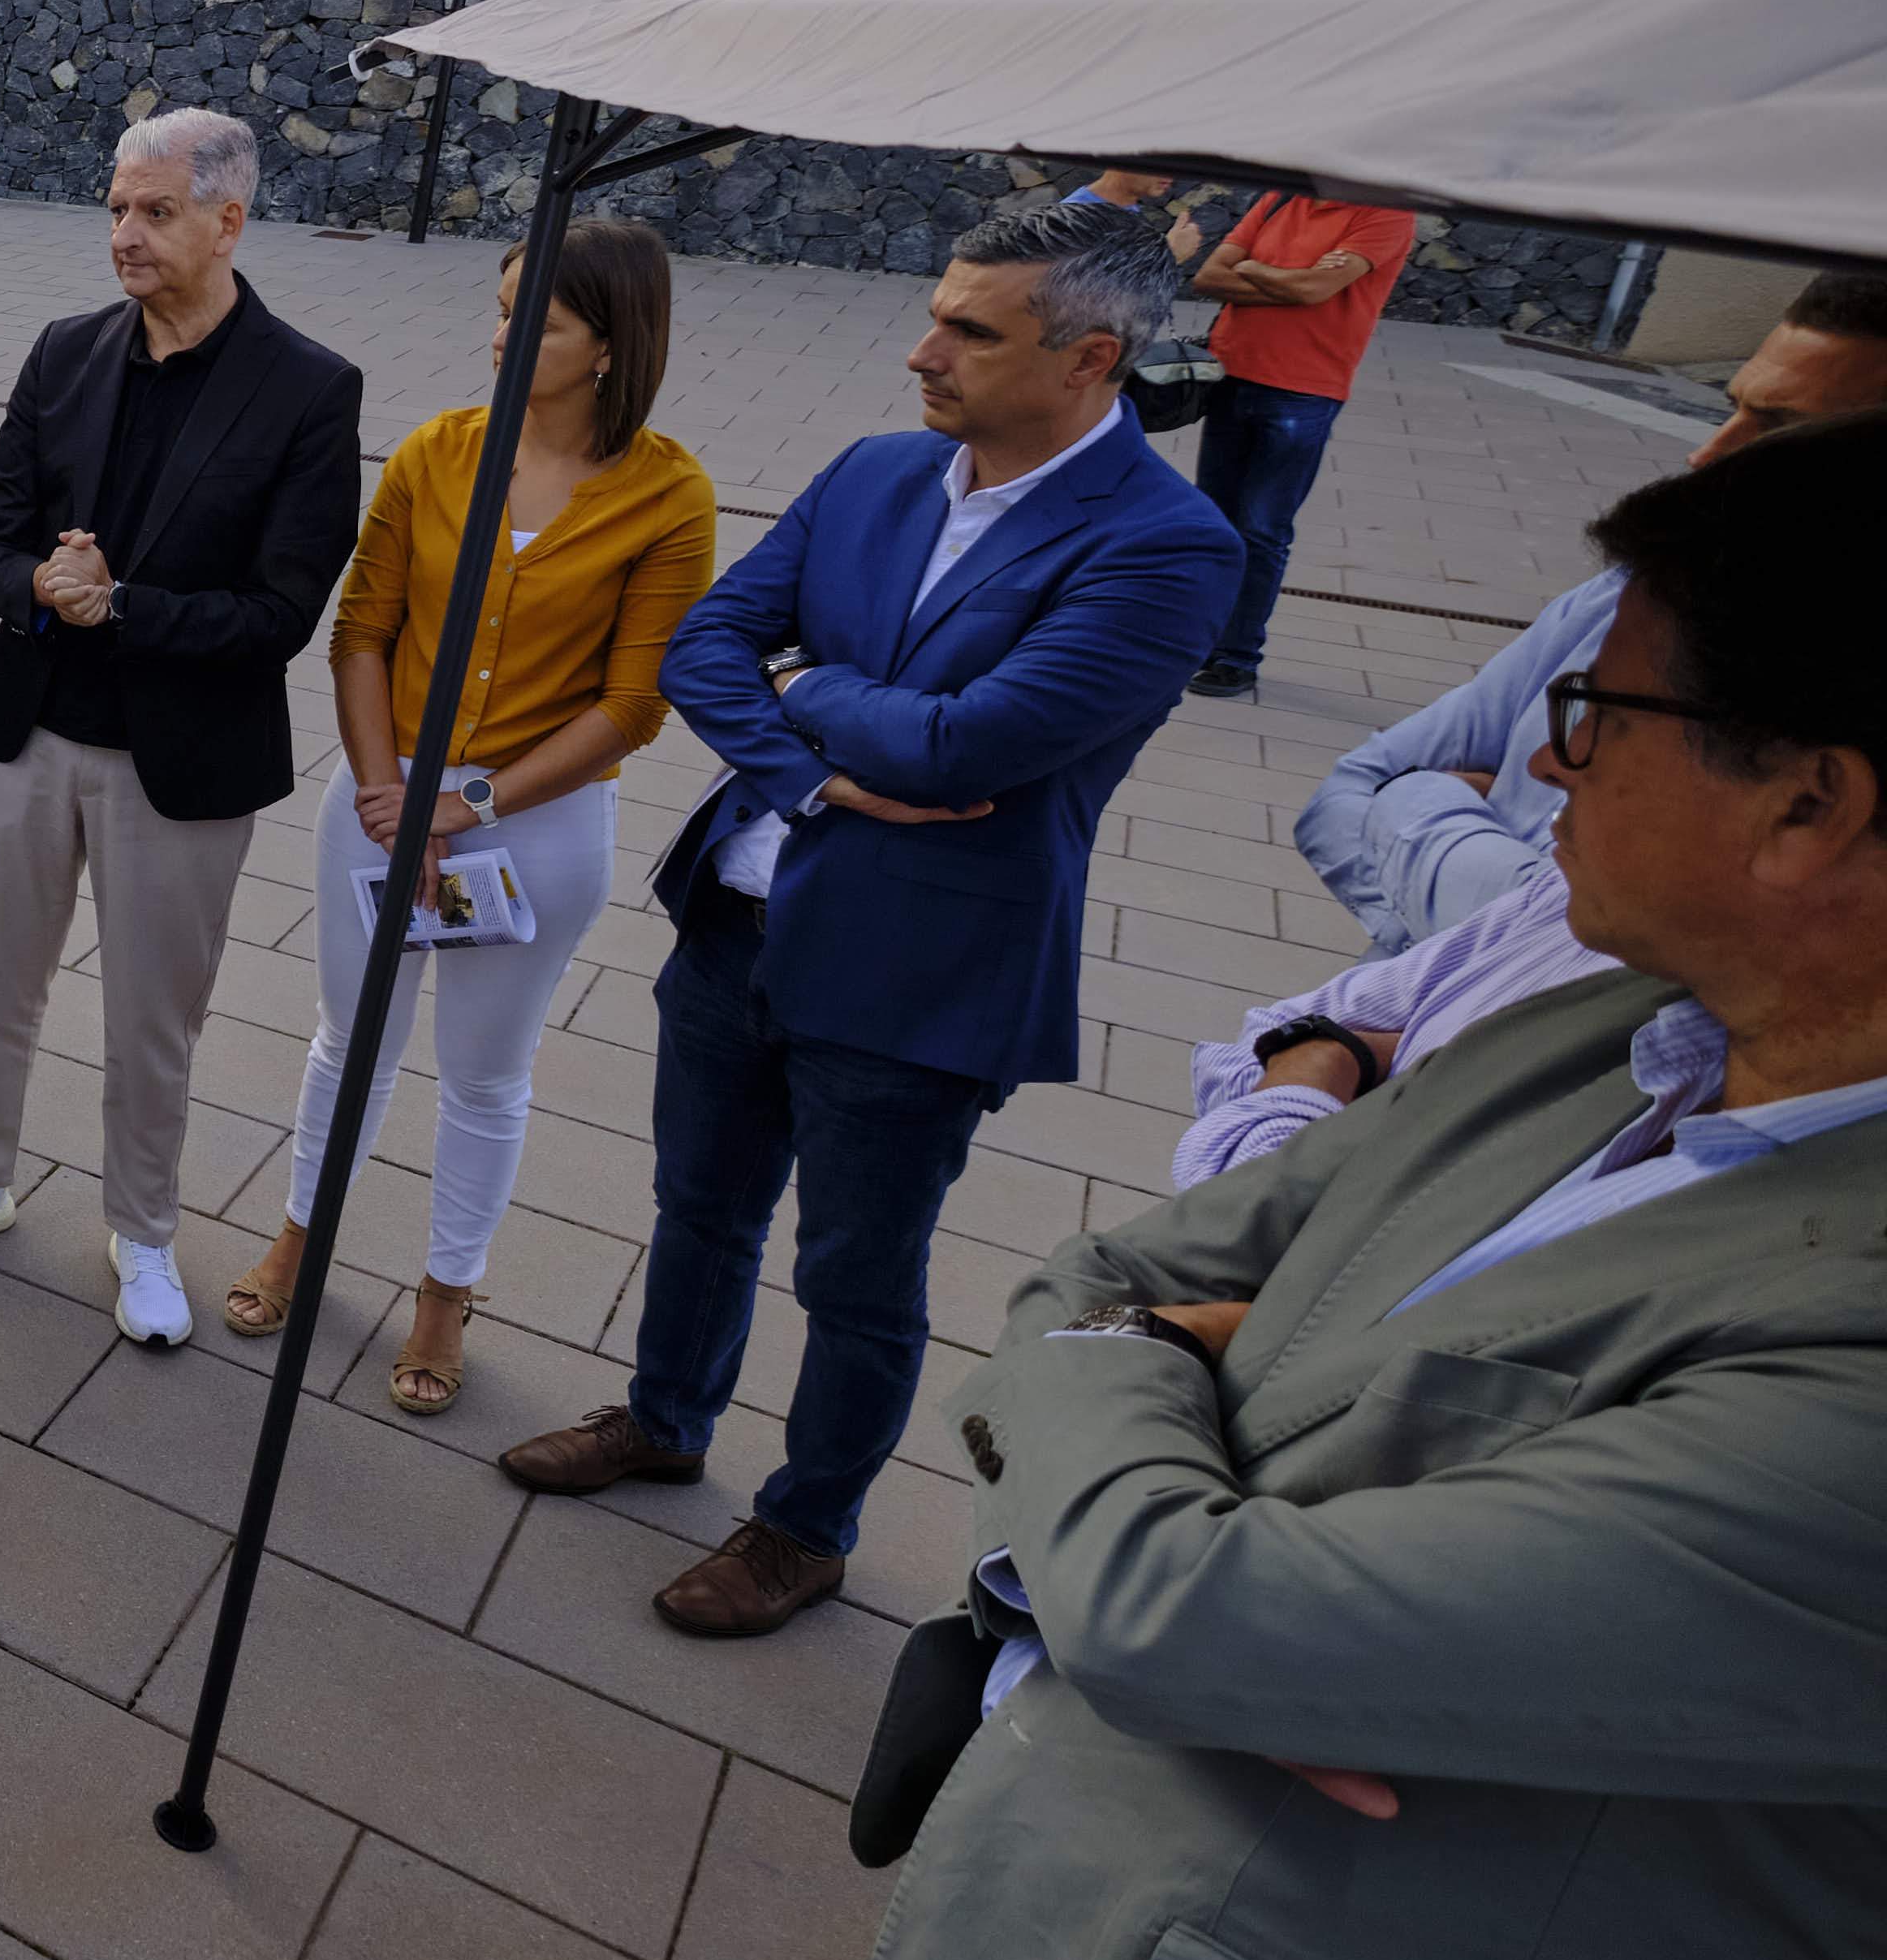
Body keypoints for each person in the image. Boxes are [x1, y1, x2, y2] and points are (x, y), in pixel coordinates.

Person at [857, 414, 1887, 1960]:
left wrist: (1171, 1467)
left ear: (1807, 811)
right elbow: (1103, 1278)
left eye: (1605, 704)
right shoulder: (1616, 1028)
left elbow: (1184, 1607)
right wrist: (1190, 1458)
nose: (1551, 755)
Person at [498, 203, 1240, 1639]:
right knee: (697, 1208)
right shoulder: (878, 472)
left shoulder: (1169, 547)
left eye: (972, 330)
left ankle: (808, 1525)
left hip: (921, 966)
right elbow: (707, 643)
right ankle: (665, 1418)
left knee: (856, 1270)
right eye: (937, 309)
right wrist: (812, 751)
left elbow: (973, 747)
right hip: (738, 916)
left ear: (1092, 358)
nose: (923, 351)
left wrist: (802, 687)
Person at [0, 110, 360, 1342]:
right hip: (36, 727)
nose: (124, 236)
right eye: (115, 209)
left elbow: (281, 612)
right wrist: (38, 585)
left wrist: (123, 603)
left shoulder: (308, 389)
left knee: (152, 1021)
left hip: (183, 761)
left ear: (229, 220)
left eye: (153, 212)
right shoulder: (65, 351)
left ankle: (143, 1234)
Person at [206, 215, 712, 1398]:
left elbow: (637, 702)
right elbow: (363, 631)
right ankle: (302, 1230)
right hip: (382, 802)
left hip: (538, 825)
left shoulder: (670, 492)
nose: (503, 336)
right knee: (352, 1037)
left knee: (487, 1071)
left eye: (541, 319)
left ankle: (445, 1295)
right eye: (500, 308)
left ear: (609, 345)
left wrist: (469, 801)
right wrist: (393, 791)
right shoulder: (438, 453)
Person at [1296, 265, 1887, 946]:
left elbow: (1587, 953)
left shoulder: (1841, 701)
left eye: (1780, 432)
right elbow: (1344, 795)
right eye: (1733, 408)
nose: (1708, 454)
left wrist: (1425, 805)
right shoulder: (1622, 597)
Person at [1170, 857, 1610, 1187]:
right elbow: (1258, 1042)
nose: (1548, 767)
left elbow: (1251, 1215)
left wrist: (1318, 1062)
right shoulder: (1565, 894)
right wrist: (1333, 1052)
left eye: (1614, 730)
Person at [1163, 186, 1415, 699]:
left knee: (1262, 528)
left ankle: (1236, 656)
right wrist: (1290, 278)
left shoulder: (1386, 214)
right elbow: (1211, 276)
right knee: (1215, 519)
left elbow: (1314, 293)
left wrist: (1252, 269)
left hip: (1306, 389)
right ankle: (1192, 640)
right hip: (1234, 372)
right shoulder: (1279, 199)